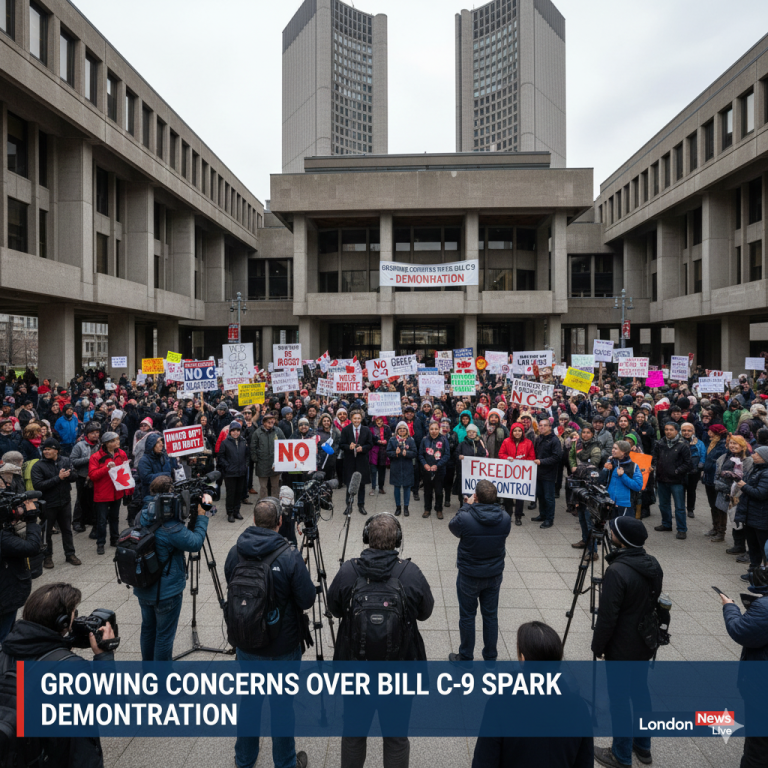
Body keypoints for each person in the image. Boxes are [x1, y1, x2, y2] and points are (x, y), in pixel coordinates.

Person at [329, 512, 434, 768]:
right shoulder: (410, 573)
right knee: (396, 738)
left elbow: (334, 608)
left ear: (367, 538)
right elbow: (426, 612)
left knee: (353, 736)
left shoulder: (348, 571)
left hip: (355, 672)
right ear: (397, 540)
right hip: (399, 673)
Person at [225, 496, 315, 768]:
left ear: (253, 520)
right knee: (281, 707)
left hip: (246, 643)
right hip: (282, 647)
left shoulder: (234, 551)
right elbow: (307, 600)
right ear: (280, 522)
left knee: (249, 703)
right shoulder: (289, 556)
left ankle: (244, 759)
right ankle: (286, 763)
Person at [0, 583, 116, 767]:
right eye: (73, 614)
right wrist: (105, 656)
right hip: (67, 757)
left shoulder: (6, 649)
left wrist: (60, 645)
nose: (75, 619)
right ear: (62, 622)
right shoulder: (72, 668)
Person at [471, 621, 594, 768]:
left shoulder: (499, 705)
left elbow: (484, 762)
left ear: (523, 659)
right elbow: (585, 762)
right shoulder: (579, 707)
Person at [592, 517, 663, 768]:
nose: (609, 531)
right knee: (640, 692)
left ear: (620, 540)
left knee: (620, 700)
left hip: (622, 646)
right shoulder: (653, 564)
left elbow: (607, 617)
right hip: (645, 641)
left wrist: (597, 645)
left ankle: (620, 755)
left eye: (612, 530)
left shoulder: (617, 572)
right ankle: (643, 746)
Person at [133, 475, 212, 660]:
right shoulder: (170, 526)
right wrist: (202, 516)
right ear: (170, 494)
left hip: (143, 586)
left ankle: (149, 675)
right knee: (164, 637)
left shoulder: (142, 513)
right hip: (166, 592)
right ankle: (162, 681)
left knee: (148, 630)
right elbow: (194, 543)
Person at [448, 479, 511, 662]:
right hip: (493, 574)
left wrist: (466, 507)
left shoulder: (466, 516)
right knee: (490, 616)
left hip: (469, 574)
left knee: (467, 616)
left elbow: (453, 527)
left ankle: (466, 656)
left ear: (475, 497)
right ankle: (490, 657)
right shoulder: (505, 518)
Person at [720, 555, 768, 768]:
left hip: (762, 688)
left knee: (757, 747)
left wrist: (730, 607)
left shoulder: (765, 608)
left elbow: (741, 630)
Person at [31, 438, 80, 568]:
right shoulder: (38, 466)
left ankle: (70, 554)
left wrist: (69, 475)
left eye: (49, 449)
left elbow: (75, 477)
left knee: (67, 530)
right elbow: (38, 485)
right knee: (46, 532)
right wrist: (58, 478)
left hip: (64, 501)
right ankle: (47, 557)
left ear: (56, 451)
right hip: (48, 504)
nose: (46, 451)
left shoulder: (65, 460)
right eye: (44, 449)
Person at [0, 498, 42, 643]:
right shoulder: (3, 538)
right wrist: (31, 519)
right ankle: (8, 663)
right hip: (5, 596)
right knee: (5, 636)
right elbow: (32, 547)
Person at [88, 431, 130, 555]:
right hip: (103, 493)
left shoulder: (121, 454)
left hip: (117, 492)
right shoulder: (96, 457)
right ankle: (100, 543)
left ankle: (114, 539)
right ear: (107, 443)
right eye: (114, 440)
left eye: (117, 439)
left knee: (115, 517)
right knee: (101, 520)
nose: (117, 442)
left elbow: (126, 472)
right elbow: (92, 475)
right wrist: (106, 469)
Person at [652, 421, 694, 539]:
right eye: (666, 429)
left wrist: (676, 471)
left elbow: (688, 464)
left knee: (679, 506)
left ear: (676, 431)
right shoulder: (660, 443)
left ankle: (681, 529)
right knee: (663, 505)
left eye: (671, 430)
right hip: (662, 479)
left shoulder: (683, 445)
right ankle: (666, 524)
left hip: (677, 481)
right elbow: (654, 457)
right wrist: (656, 467)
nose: (668, 432)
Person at [734, 444, 768, 582]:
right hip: (751, 515)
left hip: (762, 518)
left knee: (763, 548)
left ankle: (763, 575)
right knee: (753, 546)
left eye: (756, 454)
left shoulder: (766, 473)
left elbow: (760, 493)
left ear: (764, 458)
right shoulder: (756, 469)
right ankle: (753, 572)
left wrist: (744, 486)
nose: (753, 455)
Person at [498, 422, 536, 525]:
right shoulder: (506, 441)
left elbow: (532, 457)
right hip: (508, 473)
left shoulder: (528, 443)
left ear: (522, 432)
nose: (517, 433)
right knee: (508, 496)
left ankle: (518, 516)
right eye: (515, 431)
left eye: (519, 431)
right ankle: (508, 515)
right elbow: (501, 454)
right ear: (512, 432)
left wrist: (523, 460)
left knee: (520, 496)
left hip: (522, 473)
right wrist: (507, 458)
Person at [69, 421, 101, 533]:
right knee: (81, 500)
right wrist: (90, 459)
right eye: (92, 433)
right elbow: (72, 461)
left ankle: (90, 518)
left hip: (96, 476)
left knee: (93, 499)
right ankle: (78, 522)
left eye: (97, 432)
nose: (95, 435)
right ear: (87, 434)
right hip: (82, 476)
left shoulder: (100, 445)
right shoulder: (80, 446)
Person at [340, 410, 373, 515]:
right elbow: (341, 444)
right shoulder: (346, 430)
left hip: (362, 461)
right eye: (355, 418)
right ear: (351, 419)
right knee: (349, 483)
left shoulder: (366, 430)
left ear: (361, 419)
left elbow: (370, 444)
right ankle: (349, 505)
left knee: (361, 484)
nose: (357, 420)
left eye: (358, 418)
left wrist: (363, 449)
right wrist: (348, 447)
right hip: (349, 461)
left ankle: (361, 505)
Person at [532, 416, 562, 529]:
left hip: (549, 474)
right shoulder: (539, 438)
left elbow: (556, 457)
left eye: (545, 425)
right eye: (540, 425)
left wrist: (541, 462)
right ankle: (542, 514)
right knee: (540, 495)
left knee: (549, 497)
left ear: (550, 427)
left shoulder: (554, 440)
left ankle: (549, 519)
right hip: (539, 472)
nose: (542, 427)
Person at [601, 441, 644, 519]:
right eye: (613, 448)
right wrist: (605, 469)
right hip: (610, 504)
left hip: (625, 505)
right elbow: (601, 481)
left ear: (623, 452)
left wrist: (623, 476)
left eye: (616, 448)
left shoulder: (633, 466)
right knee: (612, 529)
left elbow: (638, 486)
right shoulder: (611, 463)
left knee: (624, 530)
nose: (612, 450)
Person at [702, 423, 729, 542]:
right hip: (709, 479)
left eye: (710, 431)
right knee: (713, 505)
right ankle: (715, 527)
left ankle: (721, 531)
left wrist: (710, 466)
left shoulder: (723, 446)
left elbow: (720, 464)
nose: (708, 432)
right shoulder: (713, 443)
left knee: (719, 506)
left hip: (717, 480)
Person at [218, 420, 249, 523]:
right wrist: (227, 466)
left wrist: (245, 465)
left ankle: (237, 511)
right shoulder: (225, 443)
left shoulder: (243, 442)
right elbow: (221, 457)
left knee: (239, 493)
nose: (236, 432)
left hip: (241, 472)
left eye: (238, 430)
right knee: (231, 493)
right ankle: (230, 513)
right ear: (230, 431)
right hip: (230, 473)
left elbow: (247, 455)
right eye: (233, 430)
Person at [419, 420, 450, 519]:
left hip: (439, 470)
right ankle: (427, 509)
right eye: (432, 429)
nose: (434, 431)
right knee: (427, 491)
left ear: (439, 429)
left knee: (439, 491)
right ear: (429, 429)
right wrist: (425, 464)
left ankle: (439, 509)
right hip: (427, 470)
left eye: (436, 429)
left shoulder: (444, 440)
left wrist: (438, 465)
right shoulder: (424, 440)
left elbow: (447, 455)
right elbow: (420, 455)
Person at [250, 411, 285, 500]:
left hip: (275, 463)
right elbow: (253, 447)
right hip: (262, 463)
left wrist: (280, 458)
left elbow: (284, 444)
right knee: (263, 486)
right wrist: (256, 459)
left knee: (275, 486)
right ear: (264, 423)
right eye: (269, 422)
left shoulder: (278, 431)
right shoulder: (257, 433)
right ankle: (264, 502)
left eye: (272, 422)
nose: (271, 424)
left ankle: (274, 502)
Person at [137, 433, 179, 500]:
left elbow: (173, 470)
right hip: (151, 496)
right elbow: (146, 478)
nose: (161, 444)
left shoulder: (164, 457)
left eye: (161, 442)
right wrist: (165, 475)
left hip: (166, 494)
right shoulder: (144, 460)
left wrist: (173, 457)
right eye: (158, 442)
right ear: (151, 445)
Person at [388, 421, 417, 517]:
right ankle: (398, 507)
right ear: (397, 430)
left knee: (407, 487)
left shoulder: (411, 440)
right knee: (396, 487)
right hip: (395, 467)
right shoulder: (392, 440)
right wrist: (395, 453)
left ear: (407, 430)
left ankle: (406, 507)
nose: (402, 430)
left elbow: (414, 453)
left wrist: (407, 454)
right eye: (400, 429)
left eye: (404, 429)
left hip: (407, 467)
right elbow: (388, 453)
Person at [680, 421, 705, 519]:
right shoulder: (677, 441)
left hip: (694, 470)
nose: (686, 432)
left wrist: (700, 466)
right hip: (681, 470)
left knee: (691, 490)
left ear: (693, 431)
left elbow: (703, 454)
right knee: (680, 491)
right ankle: (680, 508)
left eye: (689, 431)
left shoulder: (699, 442)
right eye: (684, 430)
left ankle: (690, 509)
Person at [368, 415, 390, 496]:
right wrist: (378, 441)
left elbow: (389, 437)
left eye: (381, 420)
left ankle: (381, 487)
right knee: (373, 471)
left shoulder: (387, 428)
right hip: (373, 452)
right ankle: (373, 487)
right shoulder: (370, 429)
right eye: (377, 420)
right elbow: (370, 439)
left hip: (383, 452)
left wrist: (386, 441)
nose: (379, 422)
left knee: (382, 471)